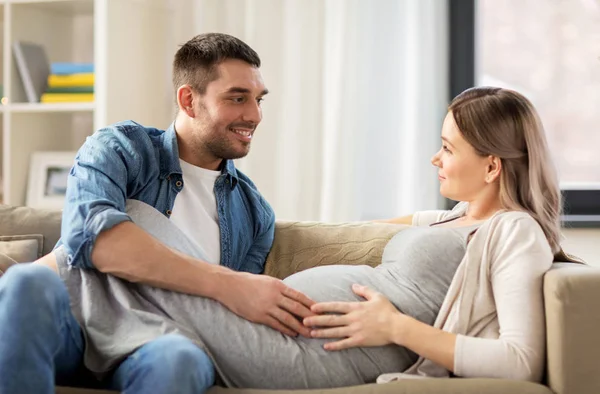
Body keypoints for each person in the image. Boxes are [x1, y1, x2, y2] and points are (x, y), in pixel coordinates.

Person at [43, 86, 564, 390]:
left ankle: (41, 282)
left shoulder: (514, 232)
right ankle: (51, 283)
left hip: (321, 348)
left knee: (129, 223)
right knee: (131, 224)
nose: (435, 158)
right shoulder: (452, 218)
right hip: (293, 322)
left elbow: (521, 361)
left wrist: (396, 326)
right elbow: (356, 233)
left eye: (448, 149)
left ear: (492, 165)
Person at [0, 33, 317, 394]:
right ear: (189, 100)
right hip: (73, 324)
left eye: (258, 100)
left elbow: (231, 323)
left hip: (159, 344)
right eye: (237, 98)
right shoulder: (121, 148)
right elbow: (95, 239)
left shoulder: (254, 213)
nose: (255, 115)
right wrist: (226, 282)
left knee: (179, 360)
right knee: (26, 282)